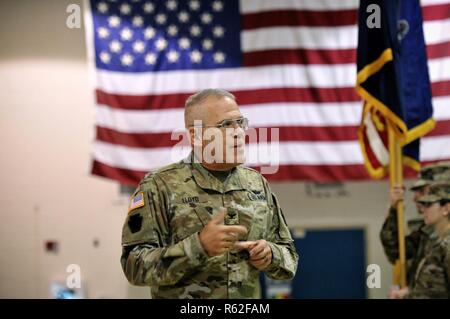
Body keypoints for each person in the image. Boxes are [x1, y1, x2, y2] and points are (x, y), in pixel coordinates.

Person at [120, 89, 299, 298]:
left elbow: (290, 258)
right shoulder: (159, 186)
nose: (239, 132)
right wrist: (199, 246)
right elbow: (134, 265)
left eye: (240, 122)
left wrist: (271, 254)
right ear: (196, 136)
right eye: (226, 125)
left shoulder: (257, 184)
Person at [380, 162, 450, 288]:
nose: (416, 199)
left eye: (423, 191)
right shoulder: (424, 230)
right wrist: (393, 211)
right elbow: (395, 251)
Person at [390, 181, 450, 299]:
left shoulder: (447, 246)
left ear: (446, 208)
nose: (423, 209)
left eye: (429, 204)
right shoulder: (438, 243)